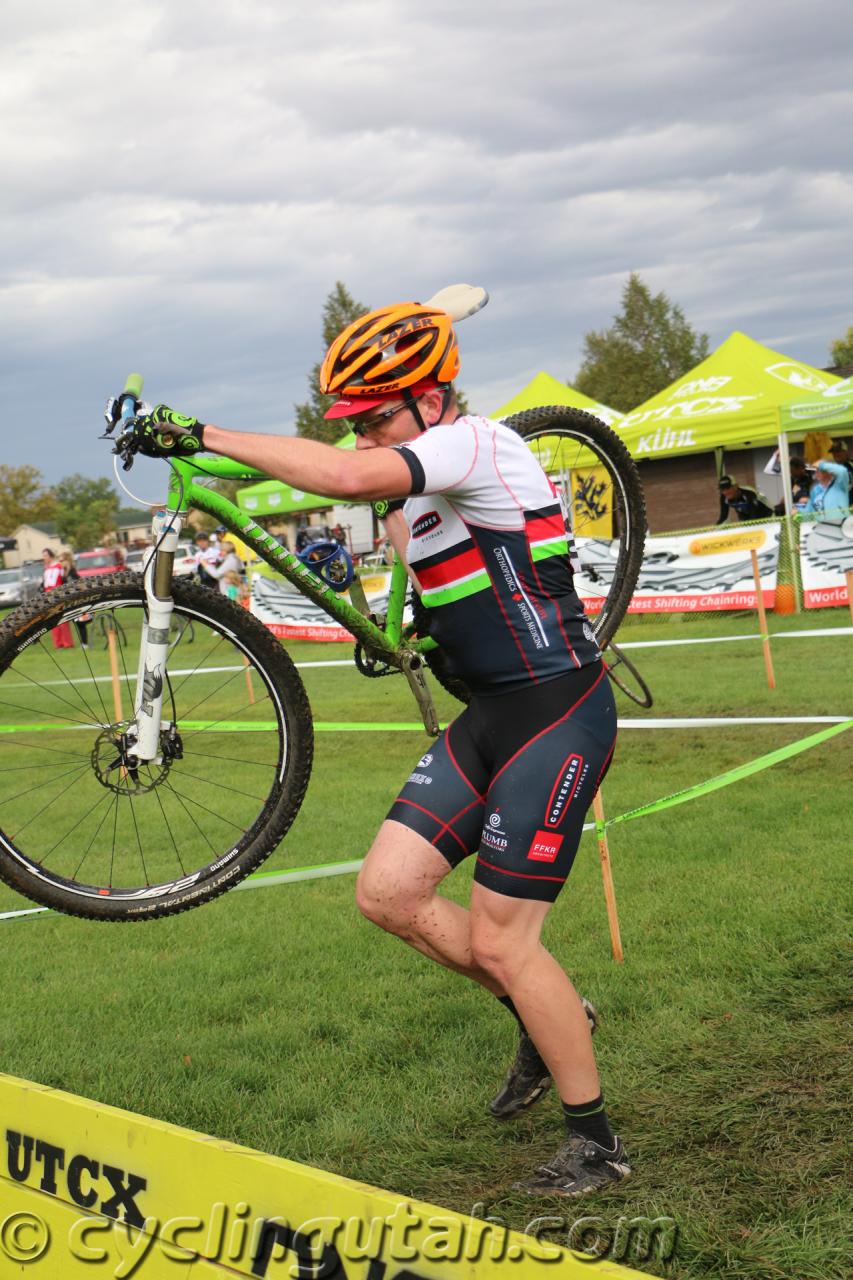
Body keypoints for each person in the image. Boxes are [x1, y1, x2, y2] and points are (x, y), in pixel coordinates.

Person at [121, 299, 628, 1197]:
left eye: (378, 418)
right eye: (352, 424)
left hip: (555, 712)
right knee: (387, 893)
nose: (362, 440)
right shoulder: (418, 485)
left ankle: (595, 1141)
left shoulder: (476, 445)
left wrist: (205, 433)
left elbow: (350, 481)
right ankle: (555, 1017)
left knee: (509, 940)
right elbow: (396, 521)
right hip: (487, 720)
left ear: (435, 402)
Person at [42, 550, 74, 649]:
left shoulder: (59, 566)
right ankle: (58, 643)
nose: (44, 558)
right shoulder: (46, 569)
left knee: (62, 620)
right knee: (52, 621)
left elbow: (65, 577)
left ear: (50, 556)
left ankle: (67, 643)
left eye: (45, 555)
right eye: (43, 556)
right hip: (48, 596)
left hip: (58, 594)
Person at [59, 551, 89, 648]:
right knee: (78, 622)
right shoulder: (64, 573)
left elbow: (81, 584)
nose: (60, 562)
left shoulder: (72, 572)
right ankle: (83, 643)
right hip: (71, 602)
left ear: (67, 560)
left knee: (81, 623)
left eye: (62, 560)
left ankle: (85, 644)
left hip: (79, 601)